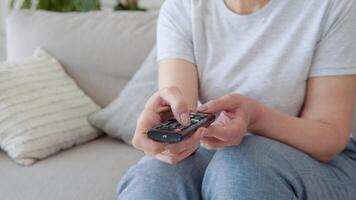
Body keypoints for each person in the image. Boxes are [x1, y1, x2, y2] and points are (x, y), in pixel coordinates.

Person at [118, 0, 356, 199]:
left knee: (242, 167)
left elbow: (329, 139)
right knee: (153, 177)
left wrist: (255, 117)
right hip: (216, 152)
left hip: (319, 159)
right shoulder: (183, 7)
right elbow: (181, 108)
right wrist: (174, 137)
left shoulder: (332, 6)